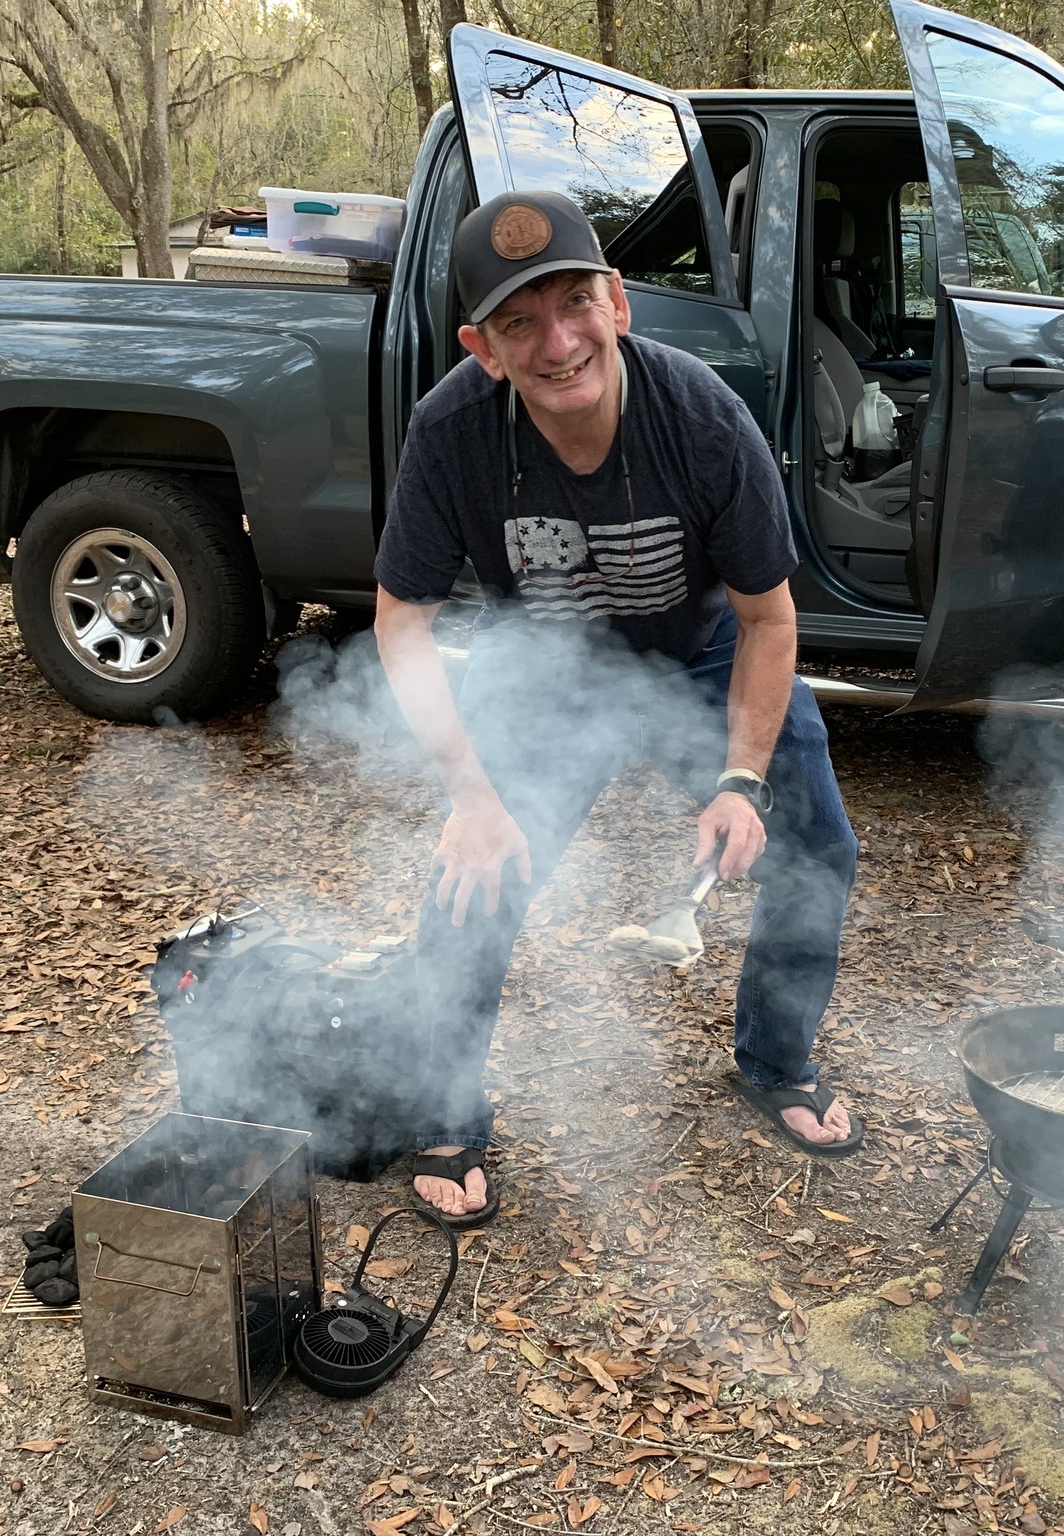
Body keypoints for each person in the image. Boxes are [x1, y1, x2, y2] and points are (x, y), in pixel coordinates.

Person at [373, 189, 863, 1227]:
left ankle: (774, 1060)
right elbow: (400, 624)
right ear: (483, 346)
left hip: (700, 648)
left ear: (618, 304)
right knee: (471, 879)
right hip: (546, 671)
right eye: (519, 322)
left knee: (815, 846)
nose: (557, 342)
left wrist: (737, 780)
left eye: (573, 303)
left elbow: (769, 622)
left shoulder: (701, 419)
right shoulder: (451, 432)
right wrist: (469, 794)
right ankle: (446, 1109)